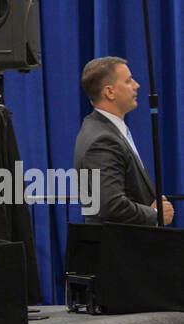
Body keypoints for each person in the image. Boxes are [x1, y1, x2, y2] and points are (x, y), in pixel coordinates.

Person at [73, 56, 173, 224]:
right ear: (109, 92)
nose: (136, 85)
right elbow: (111, 205)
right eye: (128, 81)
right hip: (119, 246)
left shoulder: (105, 129)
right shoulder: (102, 140)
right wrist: (155, 214)